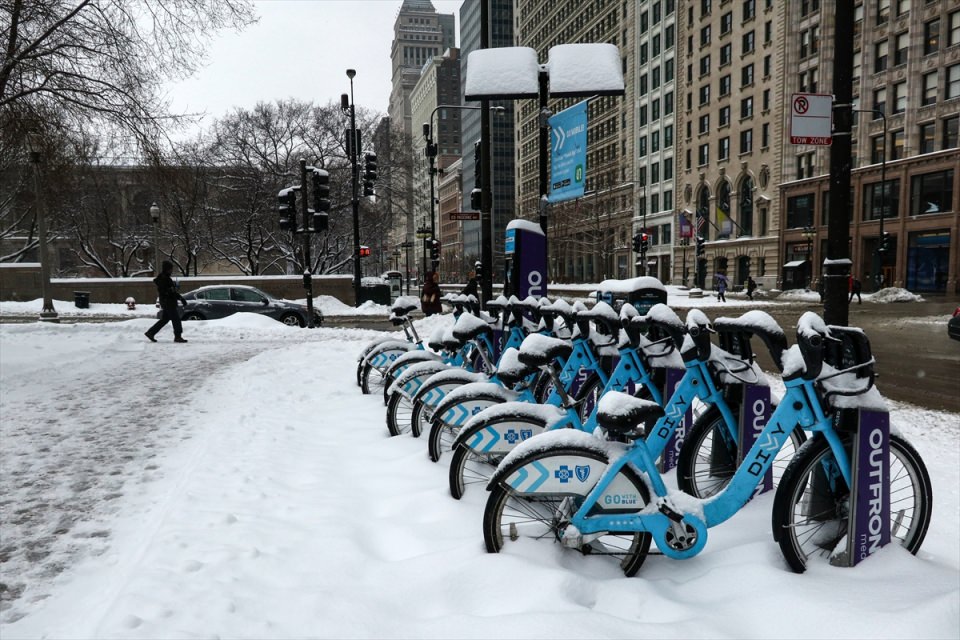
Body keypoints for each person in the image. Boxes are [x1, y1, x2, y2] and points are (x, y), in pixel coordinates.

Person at [145, 260, 188, 342]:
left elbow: (171, 291)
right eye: (170, 269)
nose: (171, 270)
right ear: (166, 269)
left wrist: (179, 296)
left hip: (167, 302)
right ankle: (178, 337)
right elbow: (166, 291)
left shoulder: (165, 278)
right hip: (168, 302)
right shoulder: (164, 279)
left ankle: (150, 332)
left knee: (165, 319)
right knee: (176, 320)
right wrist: (174, 292)